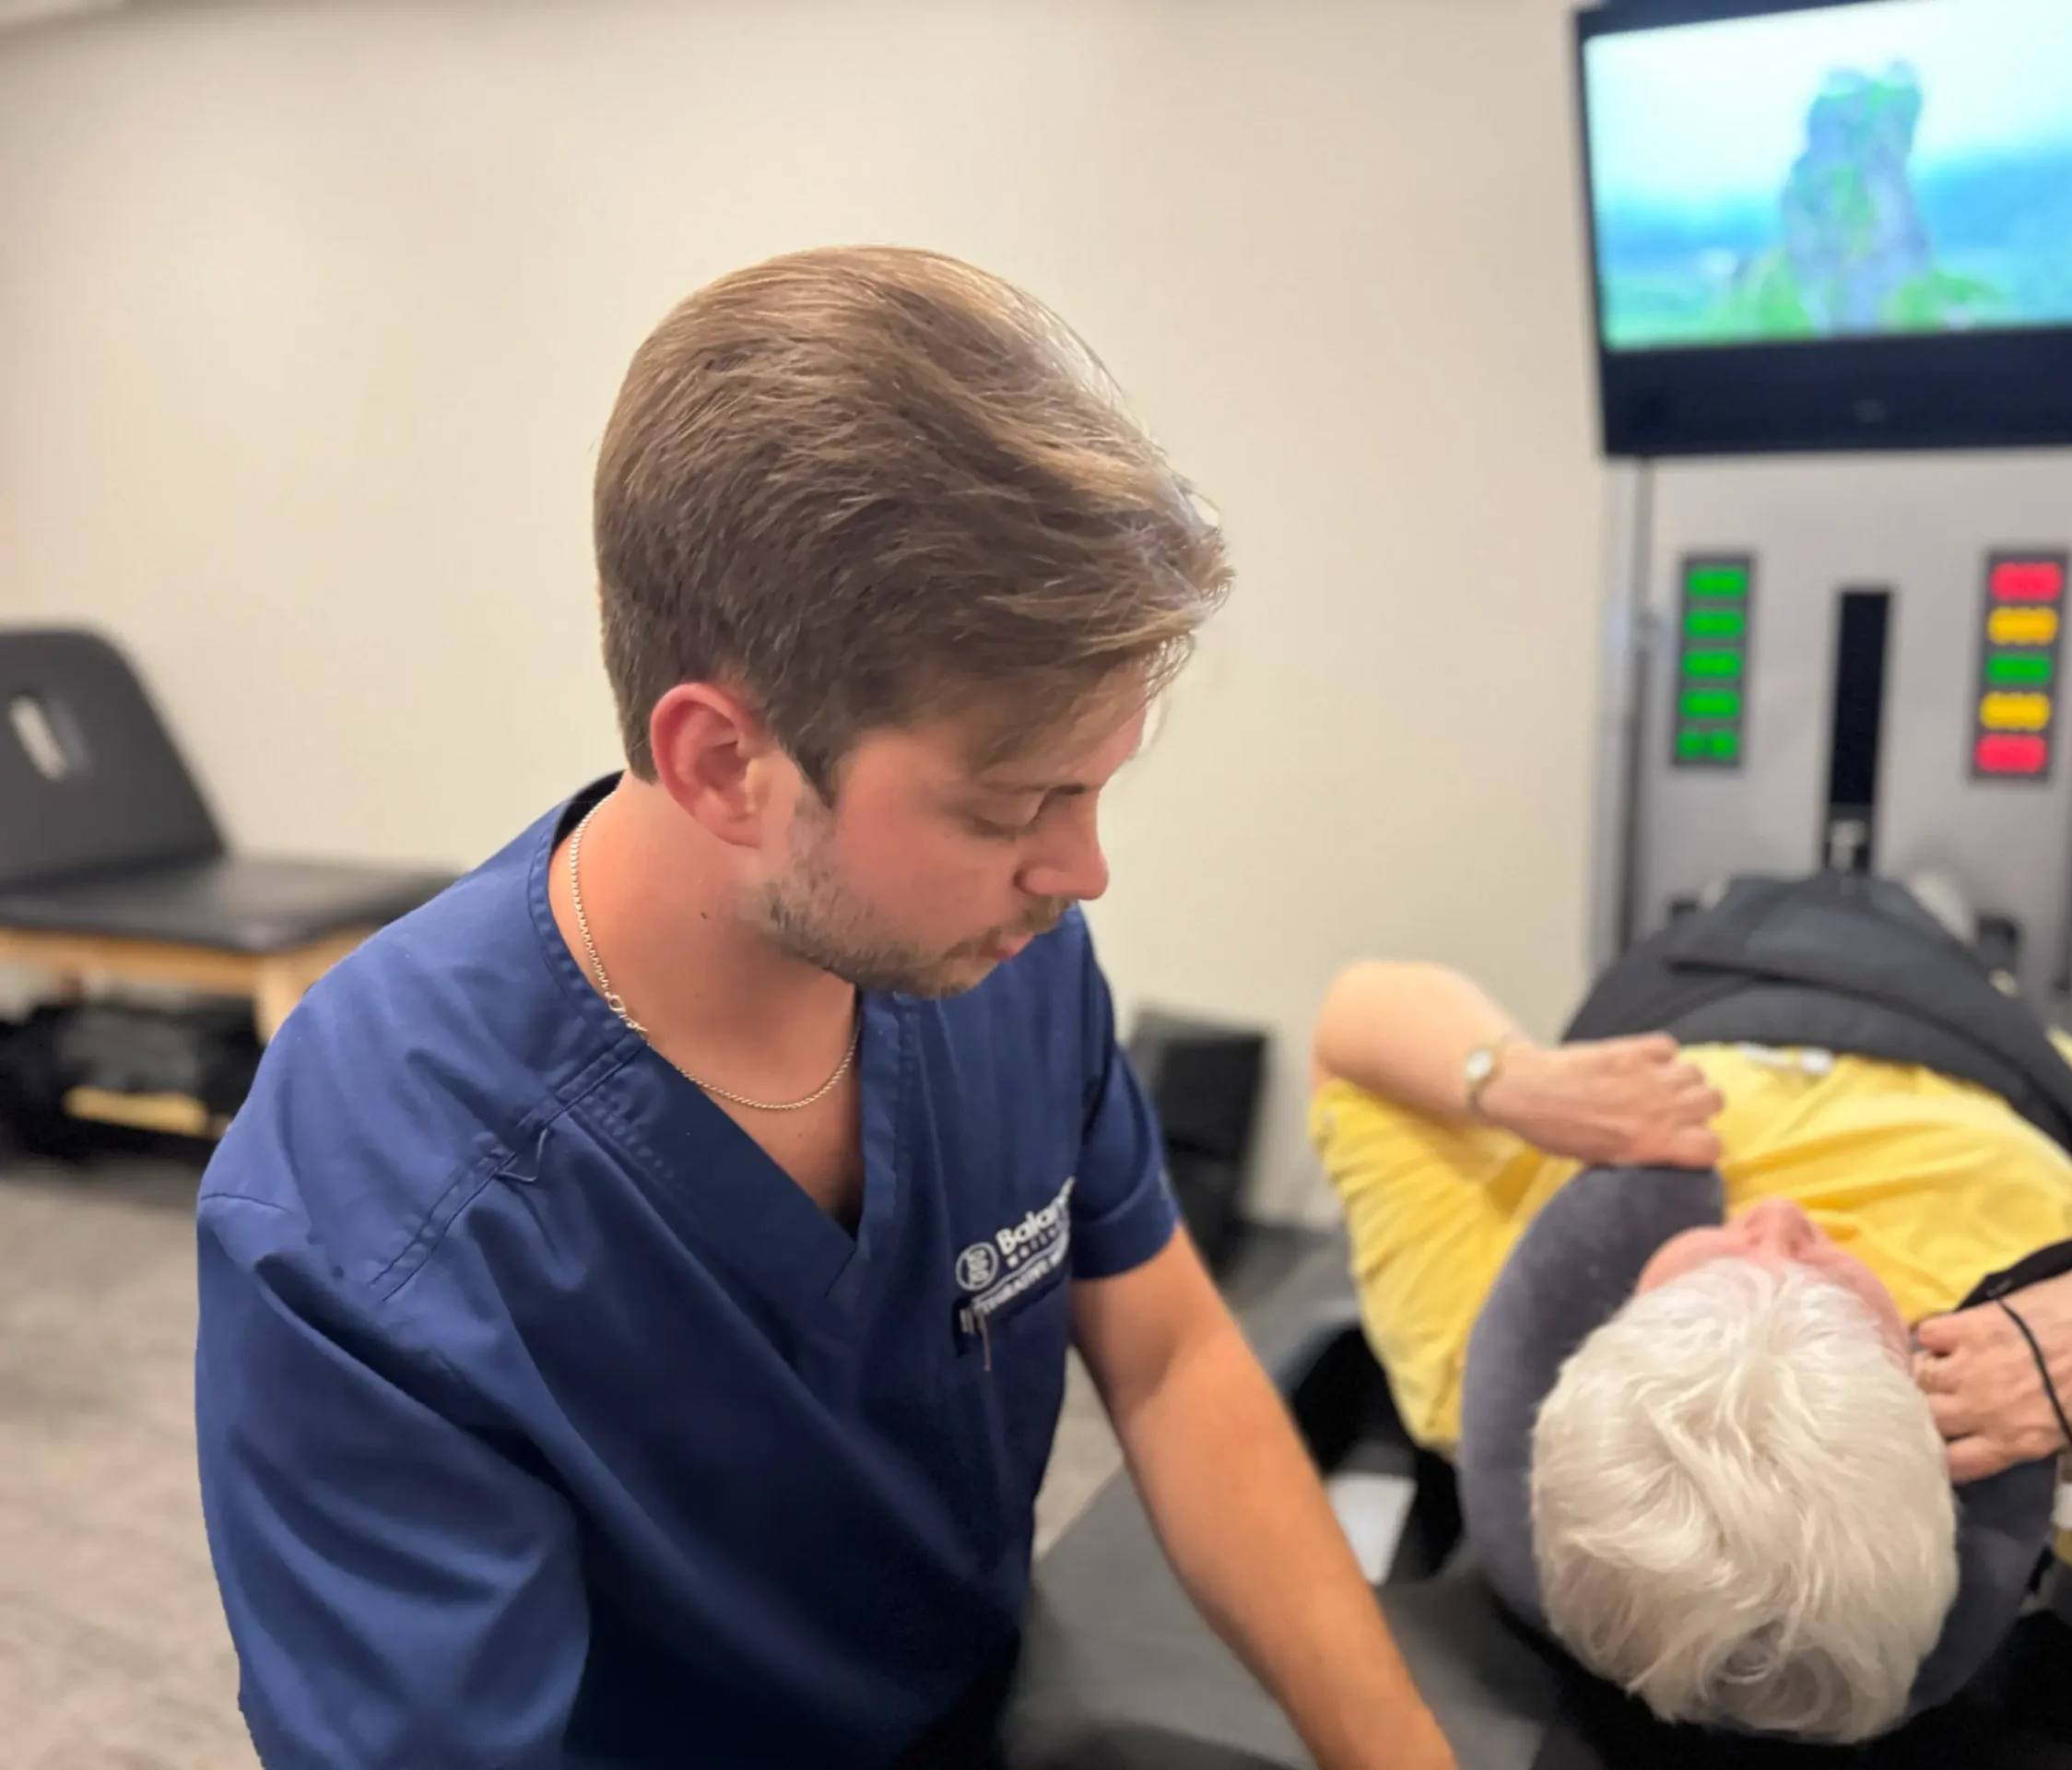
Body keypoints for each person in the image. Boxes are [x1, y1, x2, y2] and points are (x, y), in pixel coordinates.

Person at [194, 247, 1456, 1770]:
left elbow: (1178, 1357)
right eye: (1012, 807)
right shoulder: (371, 1224)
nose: (1084, 869)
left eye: (1100, 786)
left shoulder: (1003, 956)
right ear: (726, 764)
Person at [1306, 931, 2072, 1743]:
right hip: (1968, 1020)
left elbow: (1353, 1022)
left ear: (1595, 1331)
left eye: (1710, 1278)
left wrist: (1511, 1077)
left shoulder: (1472, 1342)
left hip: (1705, 973)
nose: (1776, 1225)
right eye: (1829, 1292)